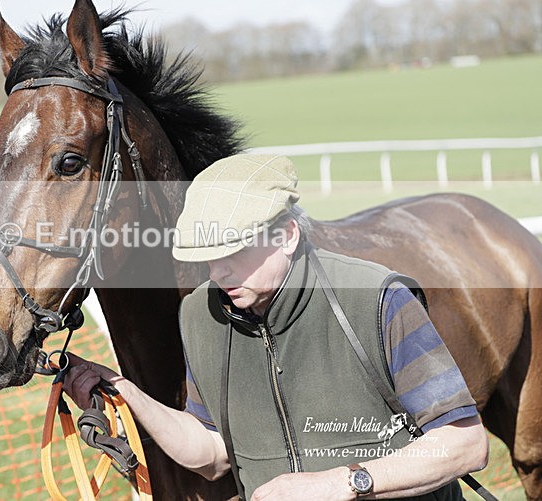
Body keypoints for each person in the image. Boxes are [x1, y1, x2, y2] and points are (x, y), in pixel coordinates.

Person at [63, 154, 488, 500]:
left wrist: (342, 482)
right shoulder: (200, 315)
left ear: (287, 236)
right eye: (208, 256)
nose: (219, 269)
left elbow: (464, 445)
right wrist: (125, 392)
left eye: (234, 248)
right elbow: (211, 453)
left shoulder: (378, 298)